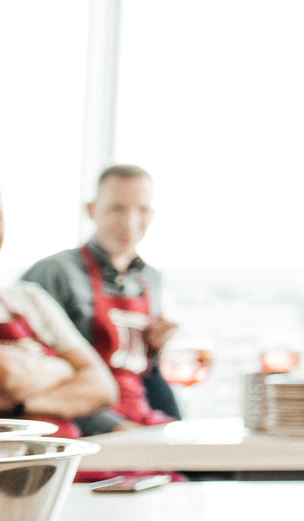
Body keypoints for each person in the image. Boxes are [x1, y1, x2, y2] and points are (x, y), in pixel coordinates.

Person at [21, 164, 183, 427]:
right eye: (117, 208)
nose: (129, 222)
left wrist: (153, 348)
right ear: (91, 210)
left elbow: (142, 374)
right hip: (80, 423)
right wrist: (113, 426)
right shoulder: (55, 273)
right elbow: (34, 374)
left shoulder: (151, 280)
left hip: (140, 417)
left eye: (141, 210)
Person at [0, 189, 120, 435]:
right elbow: (7, 373)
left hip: (65, 461)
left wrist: (21, 406)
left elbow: (102, 387)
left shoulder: (28, 297)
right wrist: (64, 370)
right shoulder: (53, 272)